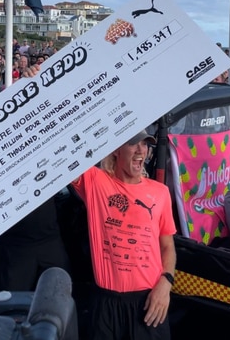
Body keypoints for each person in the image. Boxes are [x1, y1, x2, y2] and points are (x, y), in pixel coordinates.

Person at [71, 130, 177, 340]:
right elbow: (69, 155)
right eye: (133, 144)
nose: (141, 151)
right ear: (116, 150)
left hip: (148, 302)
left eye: (145, 145)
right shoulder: (96, 182)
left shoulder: (160, 192)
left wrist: (166, 284)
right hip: (105, 304)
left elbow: (167, 246)